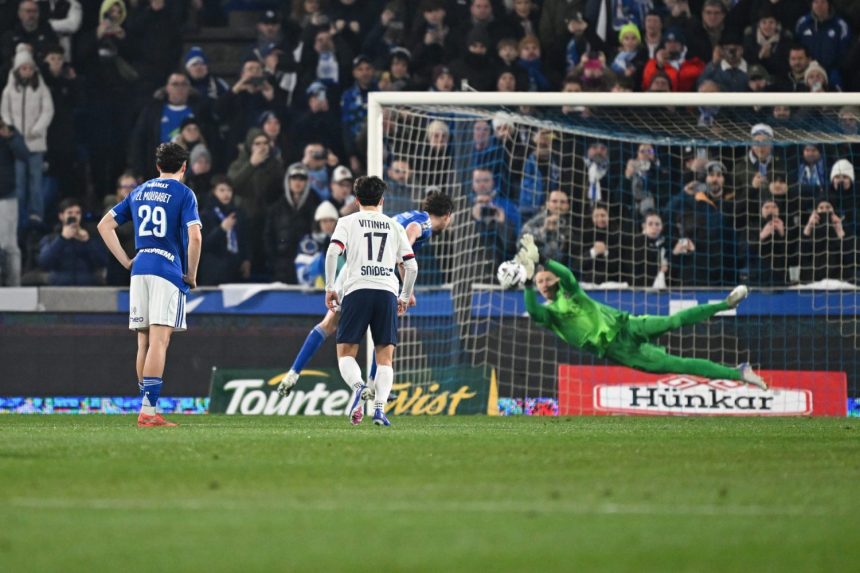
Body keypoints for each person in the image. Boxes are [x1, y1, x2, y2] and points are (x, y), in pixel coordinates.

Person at [277, 189, 454, 424]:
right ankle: (369, 395)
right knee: (383, 342)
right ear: (447, 215)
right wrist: (404, 286)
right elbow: (409, 239)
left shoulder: (406, 214)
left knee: (329, 324)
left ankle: (294, 374)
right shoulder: (423, 222)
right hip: (378, 276)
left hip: (353, 271)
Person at [513, 234, 768, 389]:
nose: (543, 284)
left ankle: (727, 304)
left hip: (627, 325)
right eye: (539, 282)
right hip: (623, 351)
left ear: (555, 281)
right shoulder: (550, 314)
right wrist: (526, 282)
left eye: (546, 279)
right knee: (680, 364)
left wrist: (544, 261)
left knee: (674, 320)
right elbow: (534, 312)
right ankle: (738, 373)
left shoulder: (571, 292)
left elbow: (567, 274)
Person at [97, 142, 202, 428]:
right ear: (183, 167)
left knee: (143, 341)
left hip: (140, 268)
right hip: (166, 268)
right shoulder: (184, 193)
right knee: (159, 340)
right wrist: (191, 274)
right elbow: (195, 237)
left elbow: (104, 225)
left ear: (157, 166)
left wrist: (126, 261)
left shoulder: (139, 191)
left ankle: (144, 408)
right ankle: (148, 412)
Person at [325, 176, 418, 427]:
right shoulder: (394, 226)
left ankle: (358, 387)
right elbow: (411, 266)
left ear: (356, 201)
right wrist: (405, 296)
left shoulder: (347, 221)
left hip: (357, 291)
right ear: (382, 200)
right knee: (385, 357)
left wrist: (330, 287)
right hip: (386, 292)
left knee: (346, 353)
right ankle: (379, 410)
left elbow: (333, 252)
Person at [38, 198, 106, 285]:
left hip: (87, 288)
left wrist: (87, 242)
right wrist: (62, 239)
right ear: (61, 216)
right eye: (70, 213)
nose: (74, 216)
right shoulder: (51, 238)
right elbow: (44, 262)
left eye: (77, 213)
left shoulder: (91, 237)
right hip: (59, 288)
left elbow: (102, 262)